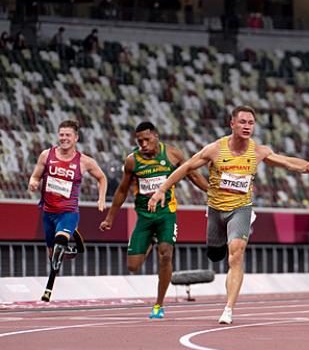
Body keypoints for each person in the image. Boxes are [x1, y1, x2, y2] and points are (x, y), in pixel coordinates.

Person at [147, 105, 309, 324]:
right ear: (232, 124)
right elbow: (187, 167)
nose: (247, 127)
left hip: (241, 209)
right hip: (216, 210)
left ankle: (228, 308)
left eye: (251, 123)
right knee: (215, 254)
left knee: (235, 255)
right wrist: (161, 190)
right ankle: (218, 255)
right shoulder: (215, 149)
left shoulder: (258, 151)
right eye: (243, 122)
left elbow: (289, 163)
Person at [99, 122, 208, 319]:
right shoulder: (132, 161)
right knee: (133, 266)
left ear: (156, 136)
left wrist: (211, 192)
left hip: (166, 213)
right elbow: (122, 190)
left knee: (166, 254)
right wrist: (110, 218)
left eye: (146, 139)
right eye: (139, 140)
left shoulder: (173, 154)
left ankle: (159, 305)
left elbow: (193, 175)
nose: (143, 144)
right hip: (144, 217)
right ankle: (151, 240)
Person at [28, 120, 107, 263]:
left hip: (68, 212)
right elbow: (35, 176)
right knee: (52, 255)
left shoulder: (84, 161)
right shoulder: (46, 155)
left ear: (76, 137)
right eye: (61, 135)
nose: (64, 138)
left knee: (59, 242)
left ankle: (63, 246)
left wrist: (101, 198)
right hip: (48, 212)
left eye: (68, 135)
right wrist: (33, 183)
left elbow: (102, 178)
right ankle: (66, 251)